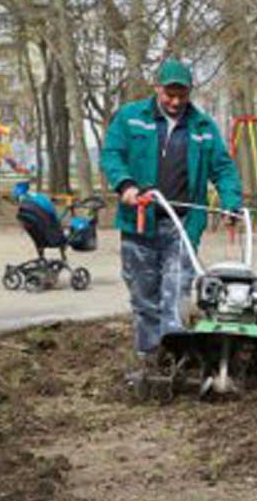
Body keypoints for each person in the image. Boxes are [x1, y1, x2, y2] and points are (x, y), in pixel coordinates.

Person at [99, 57, 244, 380]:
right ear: (157, 89)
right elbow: (111, 154)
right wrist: (125, 184)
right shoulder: (131, 118)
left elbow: (223, 168)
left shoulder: (203, 128)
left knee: (176, 293)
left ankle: (175, 361)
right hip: (139, 221)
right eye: (170, 95)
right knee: (143, 294)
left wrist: (231, 202)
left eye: (182, 95)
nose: (176, 102)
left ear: (190, 92)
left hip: (183, 224)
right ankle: (150, 360)